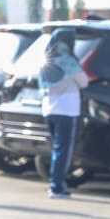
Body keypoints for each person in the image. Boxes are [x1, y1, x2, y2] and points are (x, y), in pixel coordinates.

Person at [39, 26, 88, 199]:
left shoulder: (46, 60)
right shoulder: (68, 60)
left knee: (56, 149)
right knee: (63, 150)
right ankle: (57, 186)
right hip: (67, 110)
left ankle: (55, 183)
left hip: (49, 109)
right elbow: (83, 82)